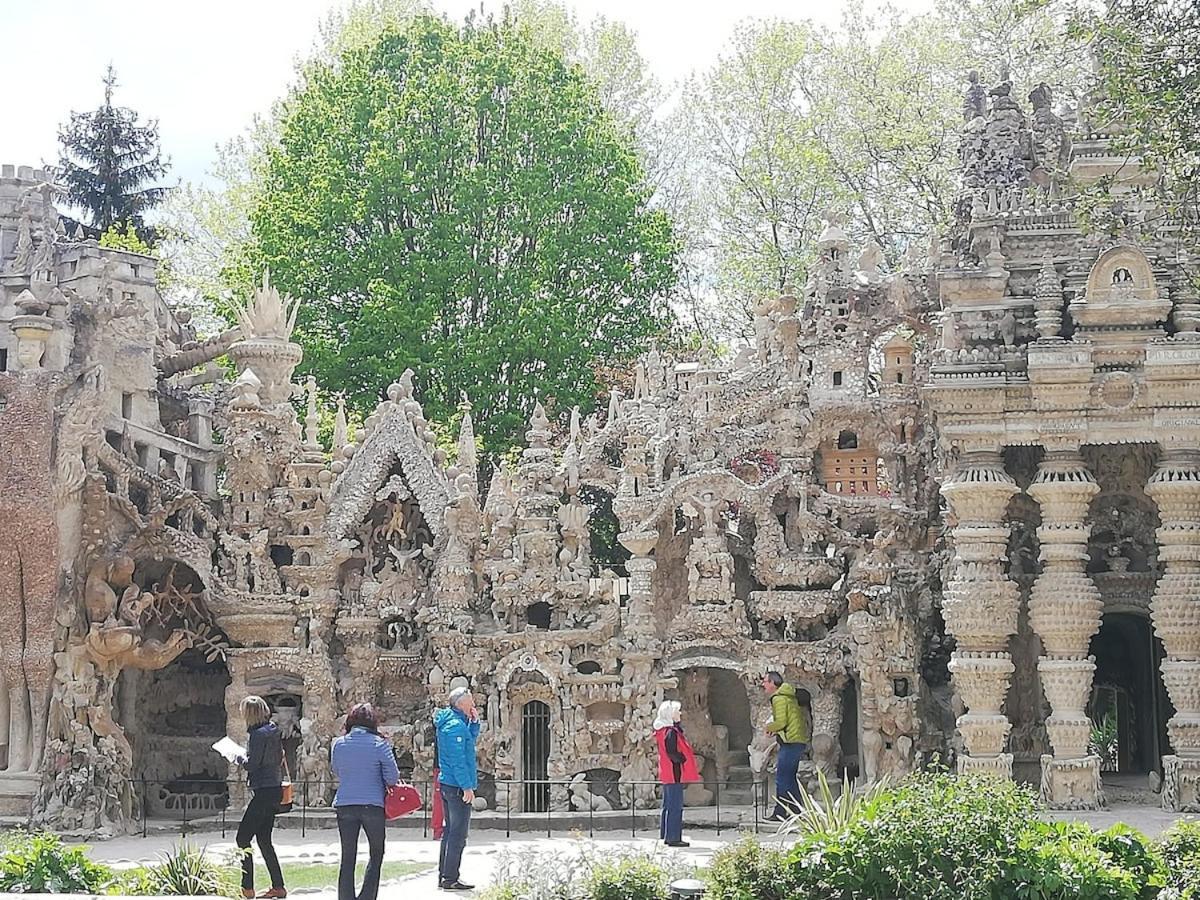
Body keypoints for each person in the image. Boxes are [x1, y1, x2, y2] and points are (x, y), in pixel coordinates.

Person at [331, 703, 401, 900]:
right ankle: (367, 896)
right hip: (372, 804)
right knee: (376, 852)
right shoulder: (379, 744)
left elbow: (336, 770)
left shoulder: (339, 744)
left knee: (348, 856)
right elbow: (392, 777)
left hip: (345, 803)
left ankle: (345, 897)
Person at [235, 696, 287, 899]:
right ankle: (278, 886)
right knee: (264, 840)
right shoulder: (274, 730)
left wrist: (238, 758)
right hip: (274, 788)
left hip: (264, 790)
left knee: (242, 838)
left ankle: (247, 888)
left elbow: (253, 764)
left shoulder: (257, 735)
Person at [434, 686, 480, 891]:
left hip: (448, 784)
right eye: (470, 701)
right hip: (456, 786)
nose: (473, 704)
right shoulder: (454, 727)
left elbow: (468, 740)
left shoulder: (456, 723)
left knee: (449, 832)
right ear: (460, 703)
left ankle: (444, 875)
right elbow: (458, 760)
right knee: (457, 834)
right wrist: (466, 787)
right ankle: (450, 877)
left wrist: (474, 722)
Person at [763, 672, 811, 822]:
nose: (763, 684)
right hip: (796, 741)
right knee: (790, 778)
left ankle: (780, 813)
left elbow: (781, 722)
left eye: (765, 681)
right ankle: (798, 811)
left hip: (790, 742)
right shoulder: (788, 696)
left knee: (782, 779)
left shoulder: (778, 698)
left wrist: (768, 727)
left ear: (773, 683)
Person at [652, 701, 700, 848]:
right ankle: (673, 837)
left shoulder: (664, 730)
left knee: (668, 804)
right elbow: (672, 751)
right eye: (677, 711)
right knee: (675, 806)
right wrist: (682, 759)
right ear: (669, 714)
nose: (680, 713)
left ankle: (666, 834)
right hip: (674, 772)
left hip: (667, 772)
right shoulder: (670, 732)